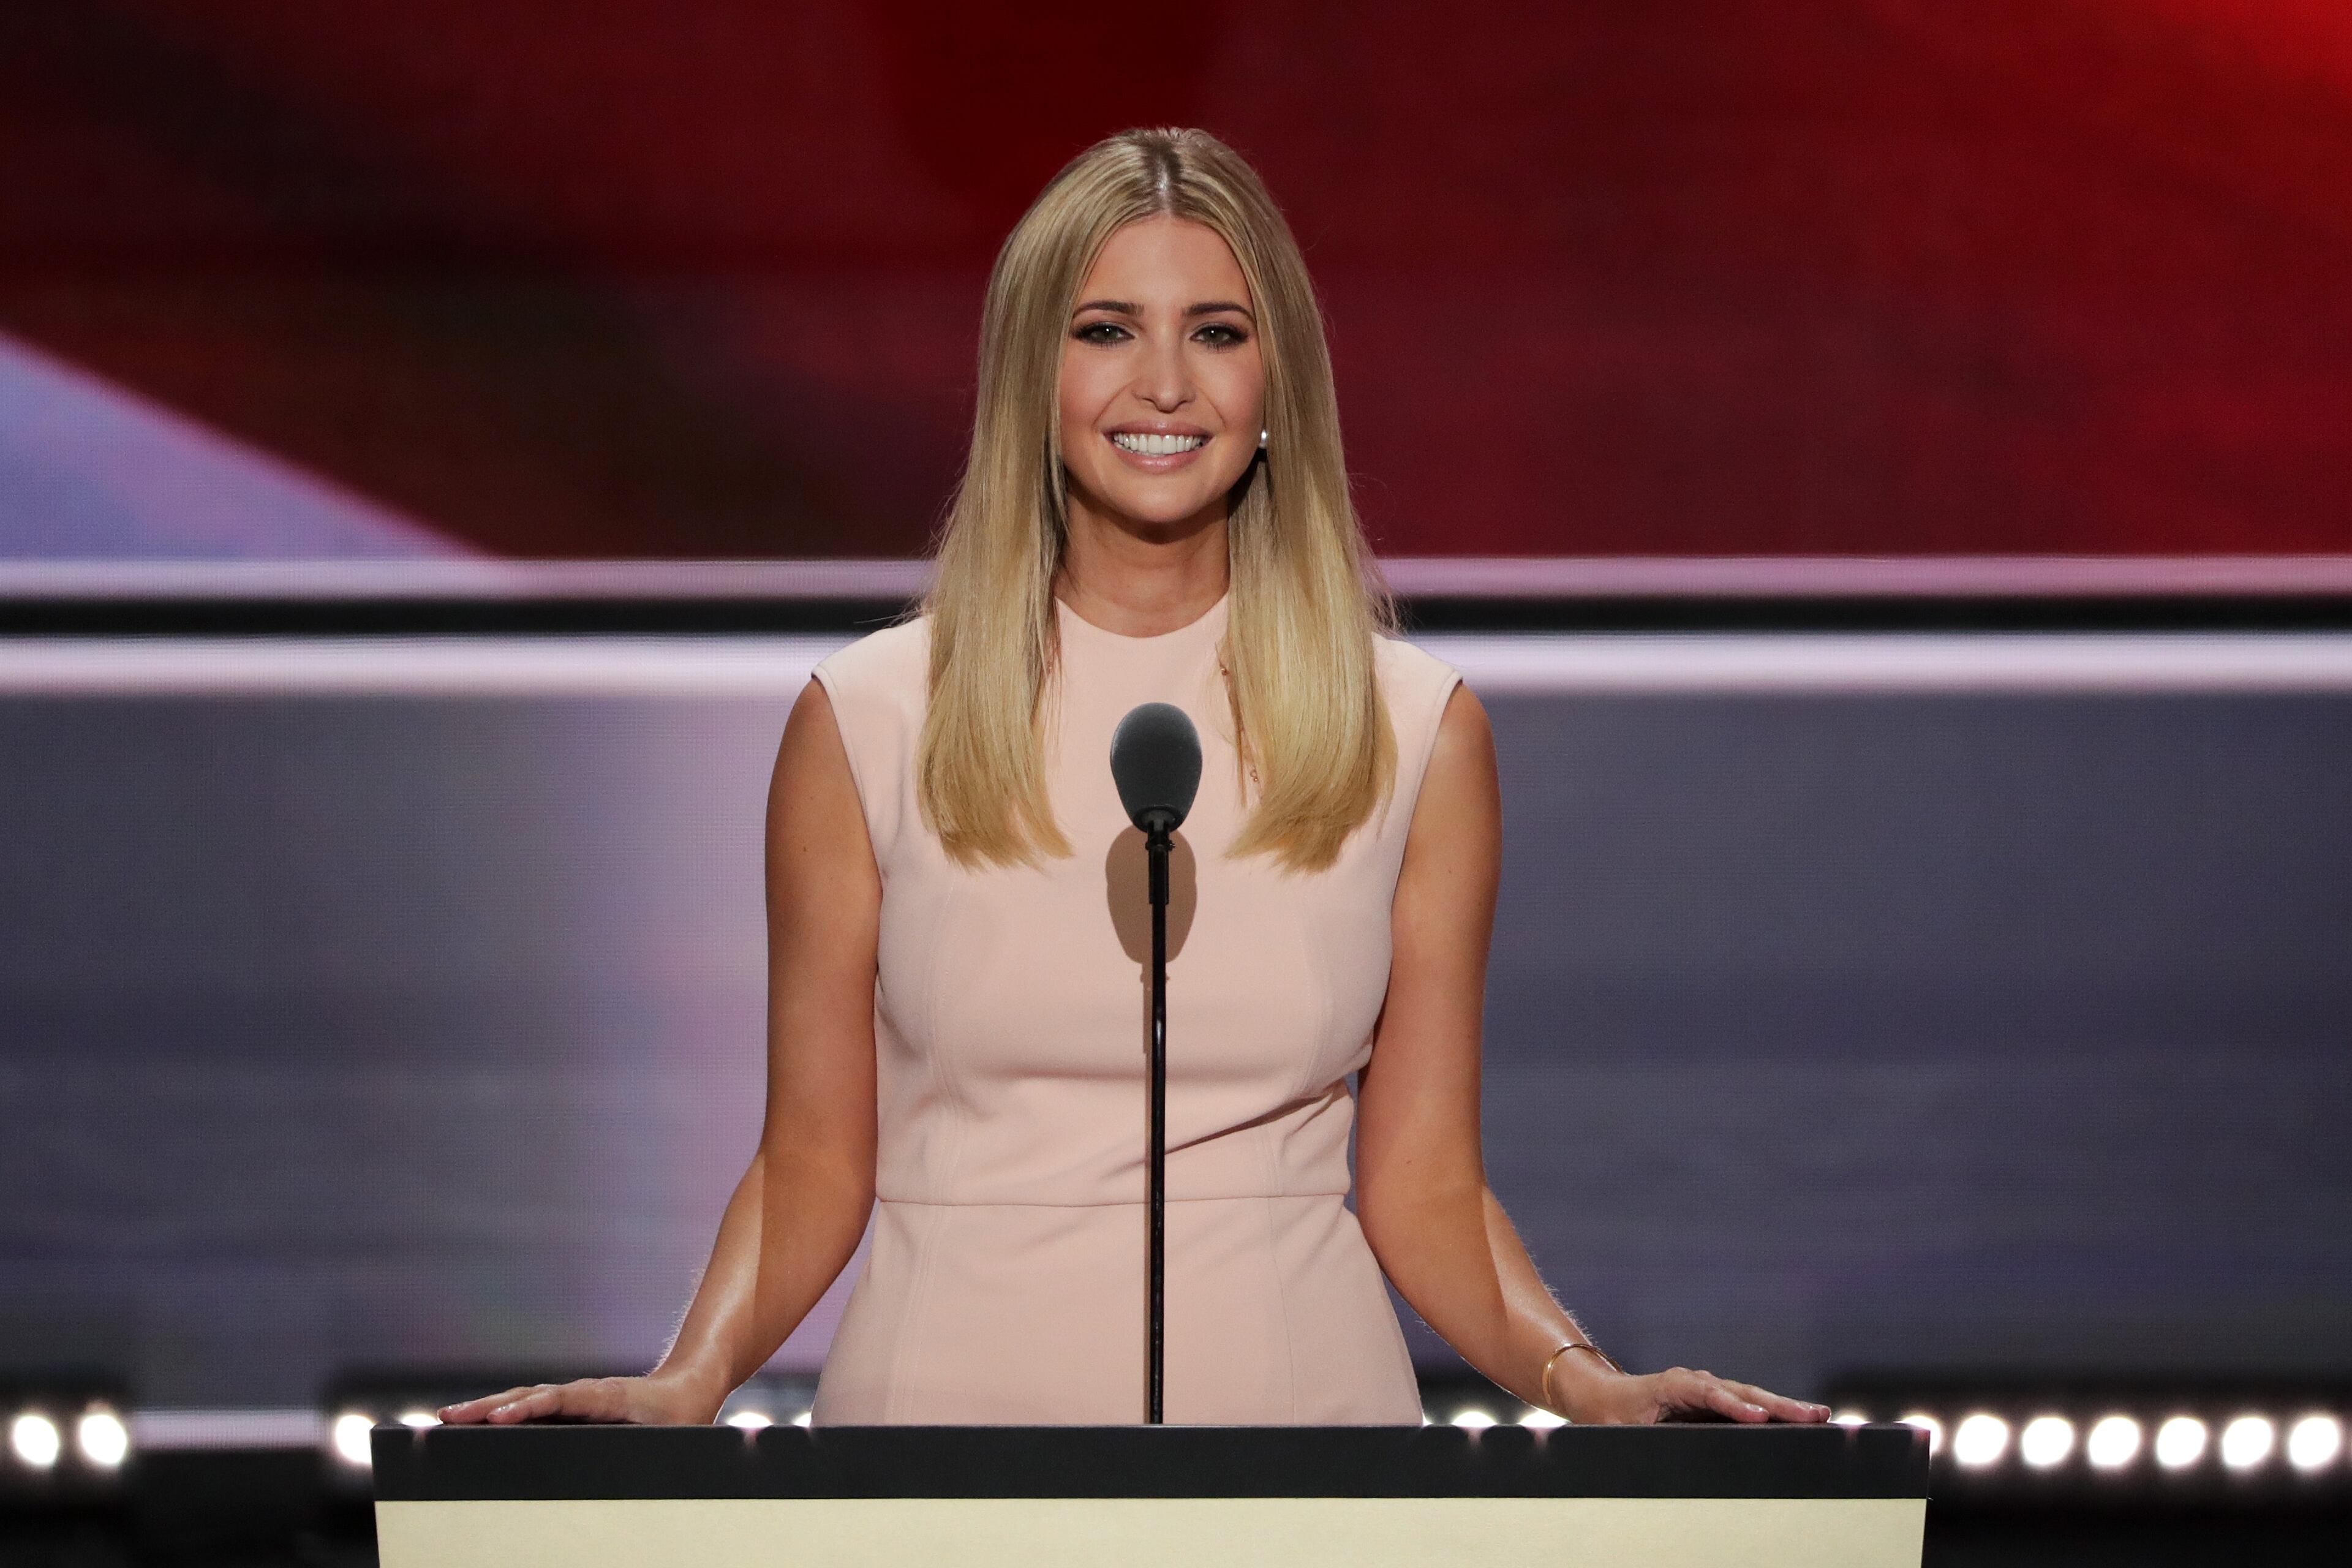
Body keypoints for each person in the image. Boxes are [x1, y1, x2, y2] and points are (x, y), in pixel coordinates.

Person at [441, 127, 1826, 1428]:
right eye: (1107, 331)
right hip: (939, 1449)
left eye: (1216, 334)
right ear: (1032, 380)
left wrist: (1584, 1379)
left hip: (1302, 1448)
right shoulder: (867, 716)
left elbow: (1428, 1186)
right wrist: (690, 1377)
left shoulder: (1414, 729)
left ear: (1275, 383)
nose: (1164, 383)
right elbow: (811, 1158)